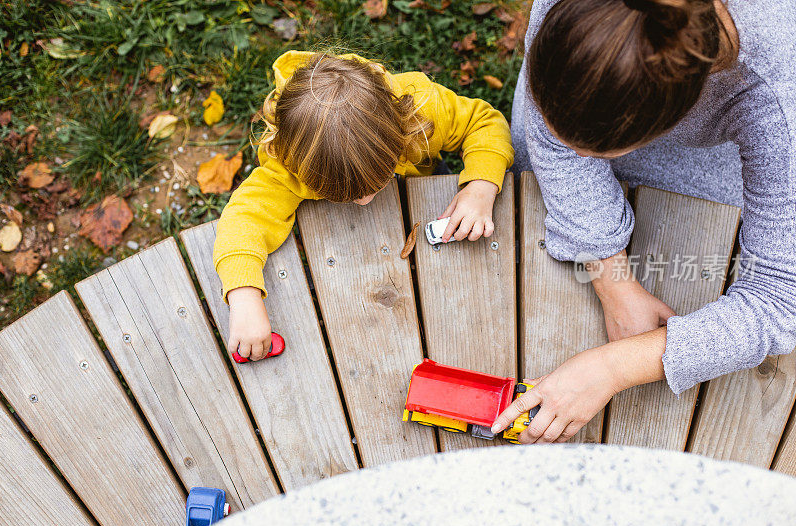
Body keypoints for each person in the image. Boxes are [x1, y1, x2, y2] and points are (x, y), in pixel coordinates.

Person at [493, 0, 796, 443]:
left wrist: (616, 367)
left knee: (694, 237)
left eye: (594, 152)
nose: (572, 152)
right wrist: (611, 278)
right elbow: (549, 138)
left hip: (719, 153)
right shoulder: (576, 12)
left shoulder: (778, 96)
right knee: (532, 159)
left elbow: (779, 295)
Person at [213, 50, 514, 360]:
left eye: (377, 181)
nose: (366, 201)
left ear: (399, 134)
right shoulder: (287, 165)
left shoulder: (422, 108)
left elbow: (485, 121)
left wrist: (480, 187)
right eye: (341, 194)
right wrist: (244, 296)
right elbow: (243, 220)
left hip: (425, 190)